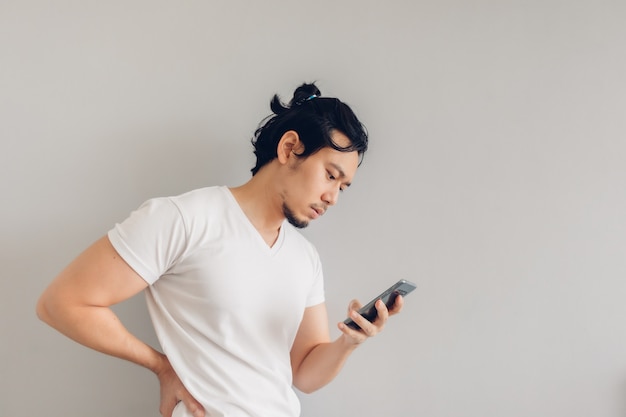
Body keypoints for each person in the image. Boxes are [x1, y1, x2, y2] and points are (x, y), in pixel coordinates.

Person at [36, 82, 405, 417]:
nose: (333, 198)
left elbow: (304, 374)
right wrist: (161, 366)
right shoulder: (185, 218)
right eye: (330, 175)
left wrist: (348, 342)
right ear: (290, 148)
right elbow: (61, 303)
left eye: (343, 187)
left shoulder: (305, 259)